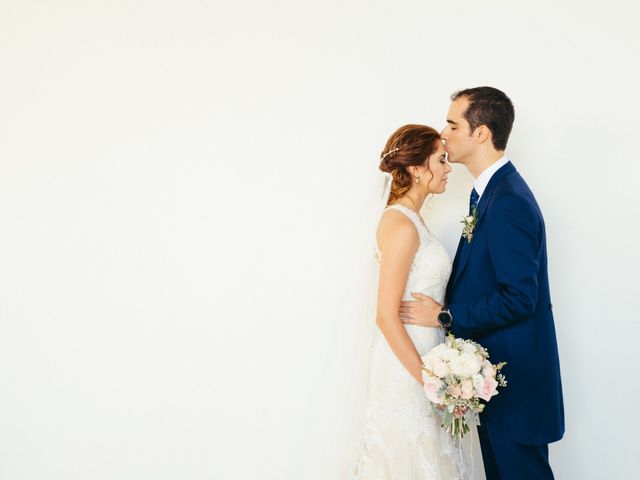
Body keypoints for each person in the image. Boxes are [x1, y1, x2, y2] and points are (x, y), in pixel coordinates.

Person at [400, 87, 565, 479]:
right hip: (494, 383)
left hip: (517, 387)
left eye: (453, 124)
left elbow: (520, 298)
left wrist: (444, 316)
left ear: (481, 133)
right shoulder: (489, 194)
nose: (444, 133)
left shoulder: (508, 201)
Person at [354, 124, 475, 479]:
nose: (449, 168)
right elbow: (386, 316)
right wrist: (428, 380)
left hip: (426, 354)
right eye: (441, 160)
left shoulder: (414, 220)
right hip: (408, 363)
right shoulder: (401, 225)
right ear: (417, 168)